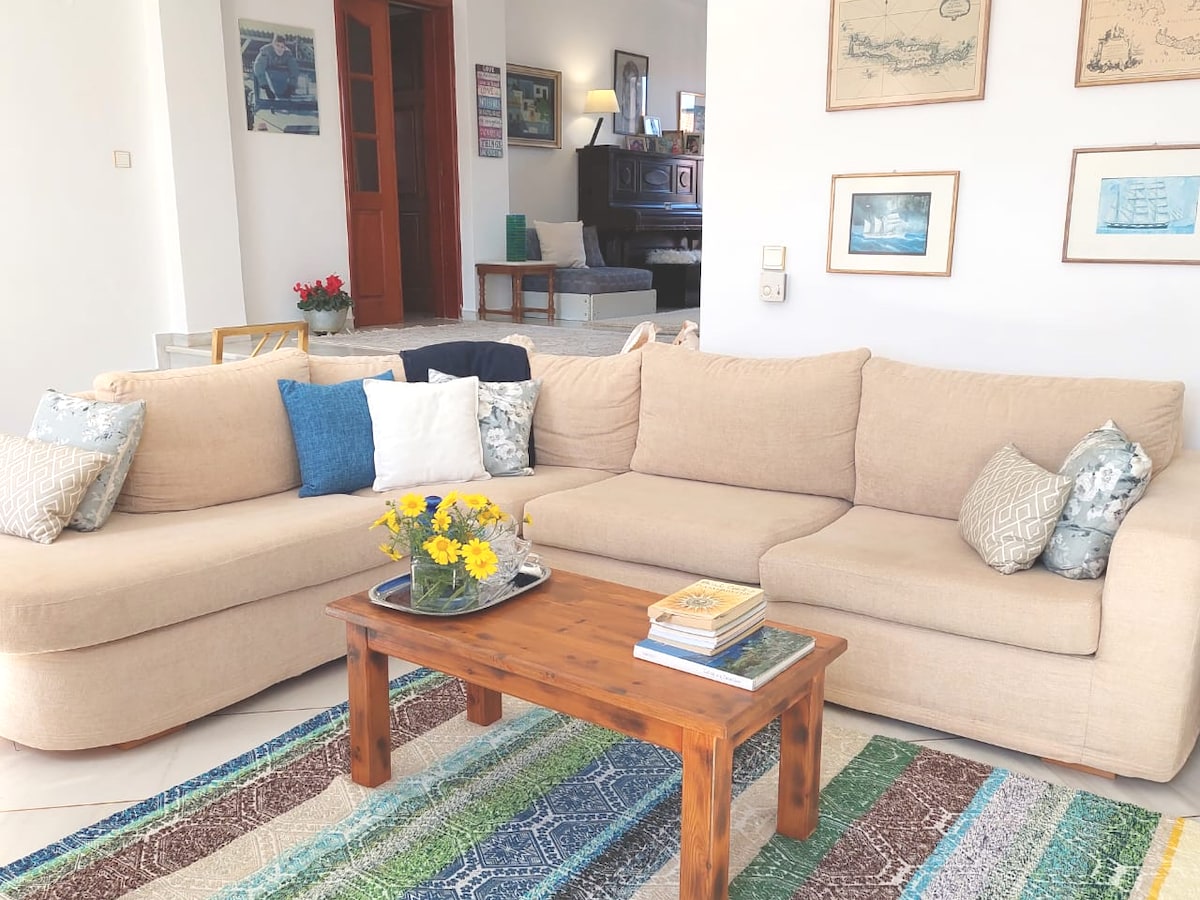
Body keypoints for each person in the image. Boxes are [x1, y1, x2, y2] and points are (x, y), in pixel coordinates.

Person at [253, 33, 300, 101]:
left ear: (285, 47)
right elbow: (258, 68)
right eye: (277, 45)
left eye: (282, 46)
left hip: (283, 90)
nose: (279, 49)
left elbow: (294, 70)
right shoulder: (266, 52)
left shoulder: (288, 54)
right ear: (273, 45)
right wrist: (266, 88)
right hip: (267, 89)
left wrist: (291, 87)